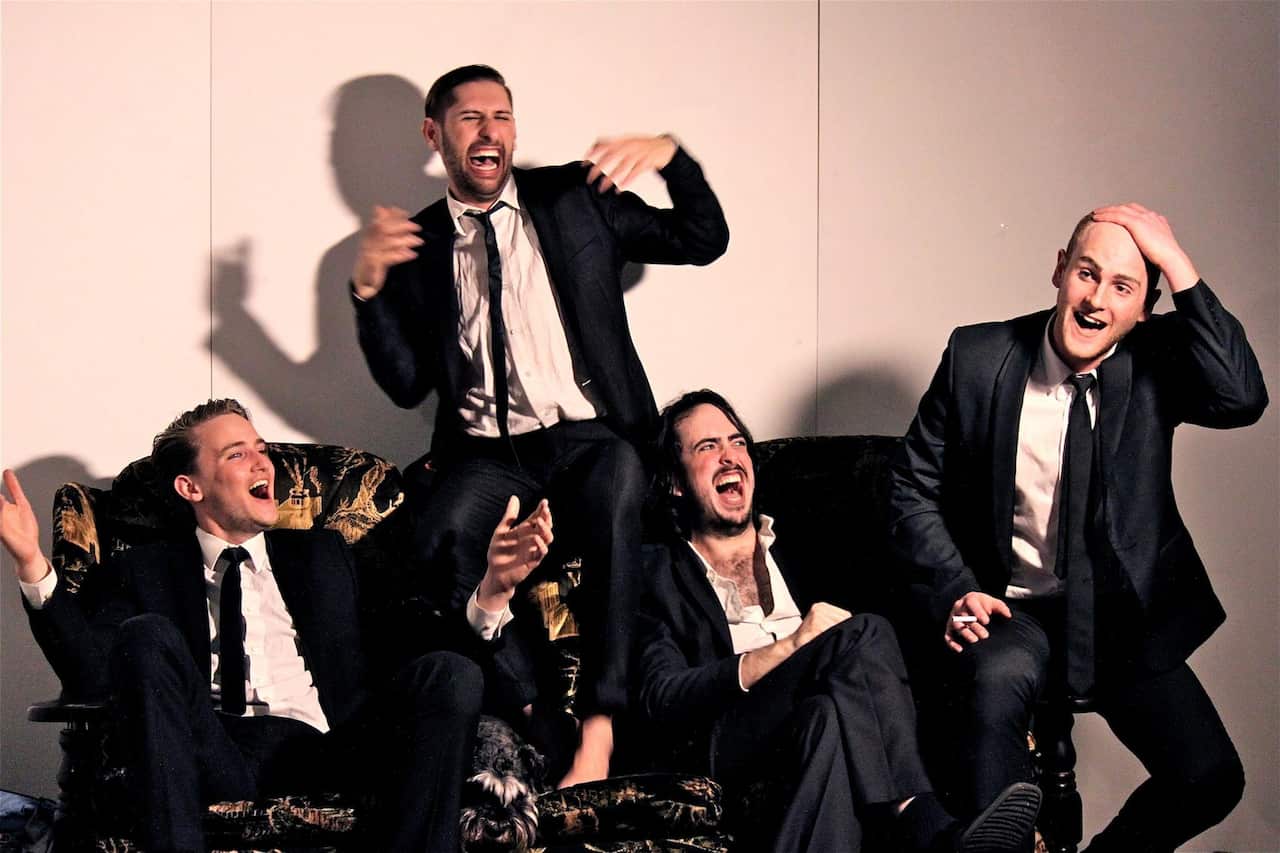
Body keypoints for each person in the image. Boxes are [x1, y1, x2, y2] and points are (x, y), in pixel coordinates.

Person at [350, 63, 729, 787]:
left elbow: (704, 238)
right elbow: (405, 384)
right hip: (490, 453)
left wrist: (672, 157)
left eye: (502, 116)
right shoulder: (421, 241)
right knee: (440, 536)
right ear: (435, 135)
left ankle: (600, 725)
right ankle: (534, 716)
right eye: (469, 118)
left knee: (621, 478)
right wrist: (367, 290)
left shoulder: (577, 197)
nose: (490, 131)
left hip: (589, 436)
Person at [888, 204, 1268, 851]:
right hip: (1012, 609)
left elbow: (1242, 394)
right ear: (1060, 270)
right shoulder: (978, 357)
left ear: (1144, 307)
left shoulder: (1155, 361)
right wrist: (955, 587)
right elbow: (909, 485)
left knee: (1210, 777)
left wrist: (1176, 261)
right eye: (1086, 274)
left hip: (1119, 617)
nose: (1096, 300)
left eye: (1122, 287)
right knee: (996, 688)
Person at [2, 399, 488, 852]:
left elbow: (408, 638)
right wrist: (31, 564)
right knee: (145, 635)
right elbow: (92, 675)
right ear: (191, 487)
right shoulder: (142, 570)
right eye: (238, 455)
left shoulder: (324, 555)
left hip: (325, 748)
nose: (263, 464)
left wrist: (492, 594)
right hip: (214, 750)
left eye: (261, 450)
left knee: (449, 673)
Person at [635, 389, 1042, 853]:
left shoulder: (809, 545)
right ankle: (922, 822)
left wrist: (954, 608)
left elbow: (893, 631)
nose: (730, 457)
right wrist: (789, 647)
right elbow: (662, 696)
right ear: (676, 481)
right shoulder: (655, 573)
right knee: (861, 633)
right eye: (707, 447)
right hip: (724, 740)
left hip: (811, 729)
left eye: (737, 442)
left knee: (825, 716)